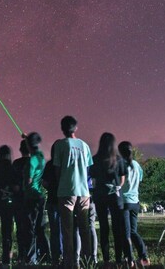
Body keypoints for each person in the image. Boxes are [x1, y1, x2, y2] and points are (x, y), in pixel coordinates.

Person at [53, 115, 93, 268]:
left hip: (66, 190)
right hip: (83, 191)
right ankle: (87, 261)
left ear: (62, 129)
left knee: (67, 229)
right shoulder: (84, 145)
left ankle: (70, 263)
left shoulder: (60, 145)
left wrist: (61, 182)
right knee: (84, 228)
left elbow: (57, 168)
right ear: (76, 128)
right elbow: (88, 168)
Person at [90, 133, 130, 266]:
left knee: (103, 227)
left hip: (100, 195)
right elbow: (123, 177)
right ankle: (118, 258)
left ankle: (106, 259)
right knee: (117, 227)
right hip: (115, 195)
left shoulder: (95, 159)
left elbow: (93, 180)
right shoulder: (119, 160)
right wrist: (117, 186)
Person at [118, 141, 150, 267]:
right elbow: (140, 179)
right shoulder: (137, 165)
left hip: (124, 201)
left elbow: (118, 182)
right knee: (133, 231)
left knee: (126, 233)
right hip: (135, 201)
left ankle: (130, 260)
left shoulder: (121, 164)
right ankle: (144, 256)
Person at [23, 132, 50, 264]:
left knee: (30, 228)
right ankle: (46, 255)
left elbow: (28, 180)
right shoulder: (41, 156)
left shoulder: (32, 160)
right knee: (40, 227)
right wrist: (27, 138)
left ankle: (31, 258)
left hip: (31, 197)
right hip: (40, 195)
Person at [42, 141, 62, 266]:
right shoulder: (65, 163)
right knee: (66, 229)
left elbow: (44, 182)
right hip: (65, 200)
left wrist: (51, 188)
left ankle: (55, 257)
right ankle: (66, 254)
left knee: (54, 230)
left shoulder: (49, 164)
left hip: (52, 200)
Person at [12, 138, 31, 263]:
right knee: (30, 227)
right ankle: (30, 255)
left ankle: (21, 254)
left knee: (19, 227)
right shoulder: (33, 162)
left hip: (18, 199)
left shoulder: (16, 163)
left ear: (20, 149)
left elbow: (13, 181)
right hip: (31, 199)